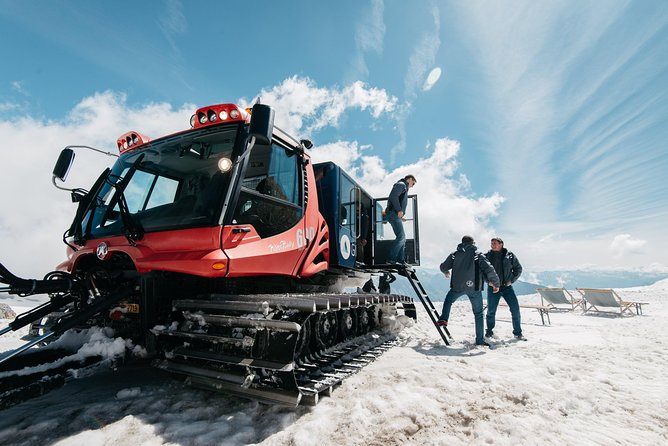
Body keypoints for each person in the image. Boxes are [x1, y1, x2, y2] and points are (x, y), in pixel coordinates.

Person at [438, 235, 500, 347]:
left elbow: (443, 266)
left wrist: (446, 272)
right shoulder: (478, 255)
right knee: (478, 314)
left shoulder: (454, 255)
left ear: (462, 243)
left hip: (457, 287)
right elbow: (489, 269)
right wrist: (496, 283)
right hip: (474, 289)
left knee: (448, 300)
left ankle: (443, 318)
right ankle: (480, 340)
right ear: (473, 243)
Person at [484, 237, 526, 341]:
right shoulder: (487, 256)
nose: (492, 245)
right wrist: (488, 282)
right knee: (491, 311)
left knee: (515, 309)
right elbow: (482, 271)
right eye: (491, 243)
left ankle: (518, 333)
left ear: (501, 244)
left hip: (507, 287)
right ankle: (489, 333)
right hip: (493, 287)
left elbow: (518, 269)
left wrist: (511, 281)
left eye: (494, 243)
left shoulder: (510, 255)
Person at [385, 174, 416, 264]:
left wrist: (401, 216)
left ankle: (400, 260)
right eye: (413, 184)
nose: (412, 186)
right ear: (410, 179)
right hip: (393, 214)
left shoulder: (403, 187)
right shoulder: (401, 184)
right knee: (401, 237)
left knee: (402, 237)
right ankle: (391, 259)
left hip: (395, 215)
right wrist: (399, 210)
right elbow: (393, 196)